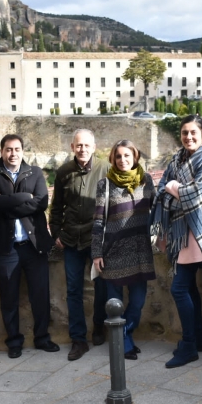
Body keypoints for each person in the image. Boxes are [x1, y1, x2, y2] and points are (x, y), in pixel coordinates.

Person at [151, 115, 202, 369]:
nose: (188, 137)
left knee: (179, 288)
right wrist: (174, 189)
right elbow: (161, 190)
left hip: (201, 232)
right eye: (184, 133)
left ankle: (189, 345)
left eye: (193, 132)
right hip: (182, 233)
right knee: (189, 287)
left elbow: (196, 195)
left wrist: (173, 187)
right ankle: (200, 339)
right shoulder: (177, 159)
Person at [0, 134, 60, 359]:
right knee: (8, 297)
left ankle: (42, 337)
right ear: (1, 151)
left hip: (33, 245)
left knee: (40, 295)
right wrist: (25, 197)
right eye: (8, 149)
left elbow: (41, 202)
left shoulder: (35, 172)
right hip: (6, 248)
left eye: (17, 149)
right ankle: (14, 341)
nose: (13, 153)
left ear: (22, 151)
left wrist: (8, 204)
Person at [91, 140, 156, 360]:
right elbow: (98, 220)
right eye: (118, 156)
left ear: (135, 157)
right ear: (113, 159)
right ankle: (124, 344)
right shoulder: (105, 184)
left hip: (140, 251)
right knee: (115, 303)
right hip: (114, 252)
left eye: (127, 156)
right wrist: (96, 253)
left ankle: (124, 335)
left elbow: (157, 211)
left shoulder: (146, 182)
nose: (122, 160)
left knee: (137, 302)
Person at [50, 129, 111, 361]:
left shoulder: (105, 169)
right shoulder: (64, 171)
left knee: (102, 288)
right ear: (72, 147)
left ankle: (98, 327)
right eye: (78, 145)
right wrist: (56, 232)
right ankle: (78, 339)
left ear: (94, 147)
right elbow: (56, 207)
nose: (82, 149)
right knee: (74, 291)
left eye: (87, 145)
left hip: (97, 240)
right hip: (71, 241)